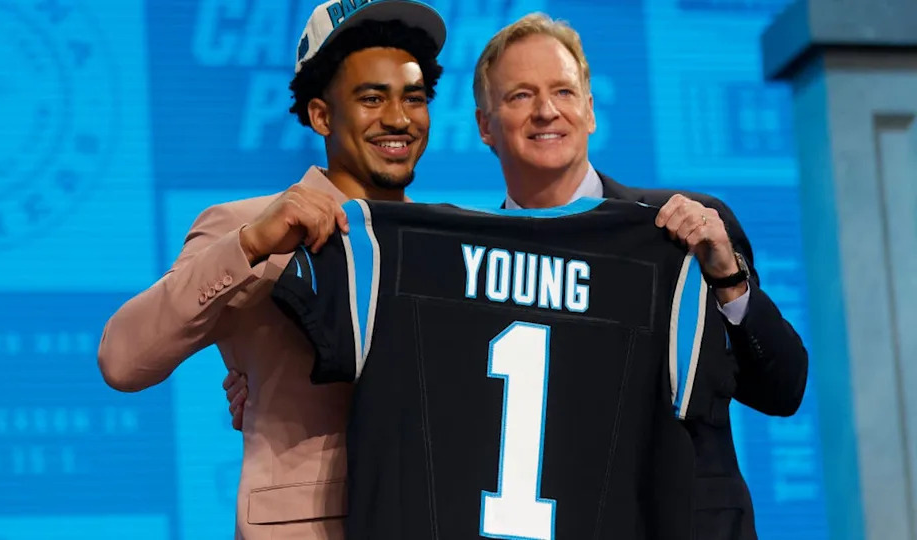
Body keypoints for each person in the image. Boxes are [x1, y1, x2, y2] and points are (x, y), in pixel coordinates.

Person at [220, 10, 809, 539]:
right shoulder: (446, 268)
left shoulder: (679, 231)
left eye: (563, 91)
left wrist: (728, 279)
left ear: (590, 109)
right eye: (520, 96)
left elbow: (783, 390)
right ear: (483, 125)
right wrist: (270, 383)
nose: (546, 110)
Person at [96, 1, 445, 538]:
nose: (398, 118)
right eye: (371, 98)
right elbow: (122, 359)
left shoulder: (448, 244)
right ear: (321, 115)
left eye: (413, 98)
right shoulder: (247, 227)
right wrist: (251, 245)